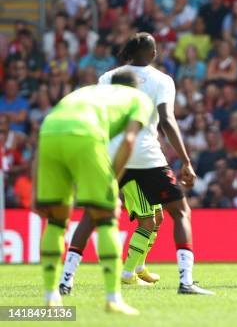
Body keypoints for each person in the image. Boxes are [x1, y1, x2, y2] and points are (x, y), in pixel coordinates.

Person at [58, 33, 213, 296]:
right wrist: (185, 160)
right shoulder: (162, 80)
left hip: (110, 155)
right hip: (145, 155)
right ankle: (185, 281)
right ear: (153, 54)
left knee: (92, 215)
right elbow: (166, 120)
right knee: (180, 212)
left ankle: (66, 280)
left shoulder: (107, 77)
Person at [34, 70, 153, 314]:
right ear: (135, 88)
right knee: (106, 217)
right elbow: (130, 140)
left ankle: (50, 297)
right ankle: (113, 299)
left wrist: (37, 189)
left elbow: (46, 132)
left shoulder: (86, 92)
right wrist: (112, 180)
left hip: (49, 133)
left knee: (56, 221)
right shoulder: (138, 99)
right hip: (86, 135)